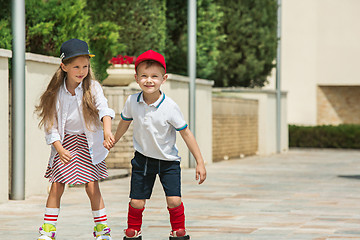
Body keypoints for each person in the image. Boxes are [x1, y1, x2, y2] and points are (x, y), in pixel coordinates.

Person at [112, 49, 207, 240]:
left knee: (174, 200)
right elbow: (124, 121)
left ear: (164, 78)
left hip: (168, 161)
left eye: (154, 76)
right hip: (143, 159)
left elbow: (186, 133)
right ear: (136, 78)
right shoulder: (132, 101)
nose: (149, 80)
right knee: (137, 202)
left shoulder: (170, 107)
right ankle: (133, 230)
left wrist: (200, 161)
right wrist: (114, 139)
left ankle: (178, 230)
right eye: (144, 76)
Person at [35, 39, 115, 240]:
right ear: (64, 66)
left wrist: (107, 132)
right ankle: (48, 230)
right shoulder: (56, 92)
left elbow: (104, 109)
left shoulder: (93, 87)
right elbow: (50, 125)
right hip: (65, 143)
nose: (82, 71)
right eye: (76, 67)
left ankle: (102, 230)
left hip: (88, 143)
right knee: (57, 184)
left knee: (92, 184)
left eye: (85, 66)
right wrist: (59, 148)